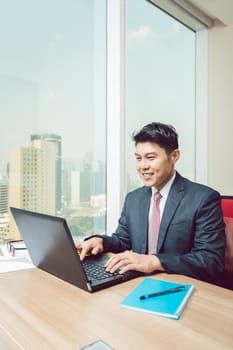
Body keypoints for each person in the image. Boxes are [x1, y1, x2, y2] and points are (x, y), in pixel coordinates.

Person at [77, 122, 226, 286]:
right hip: (139, 283)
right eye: (138, 158)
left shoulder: (203, 198)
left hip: (181, 287)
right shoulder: (134, 198)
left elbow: (210, 260)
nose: (142, 166)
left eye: (150, 157)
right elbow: (122, 240)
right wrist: (101, 242)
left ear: (174, 156)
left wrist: (154, 261)